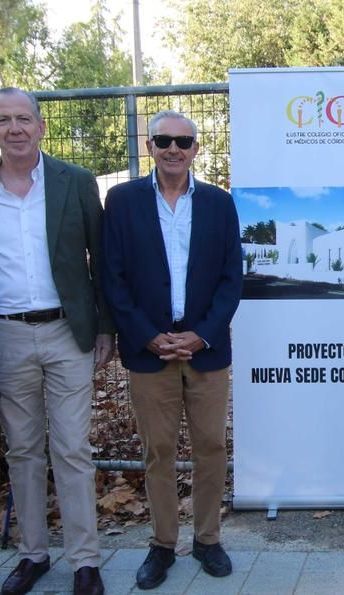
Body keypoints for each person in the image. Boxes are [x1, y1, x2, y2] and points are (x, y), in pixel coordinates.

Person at [0, 87, 115, 595]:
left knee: (72, 449)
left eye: (23, 119)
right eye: (3, 120)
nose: (14, 128)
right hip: (6, 335)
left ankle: (85, 561)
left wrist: (105, 325)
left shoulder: (75, 182)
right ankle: (34, 554)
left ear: (40, 126)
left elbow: (99, 259)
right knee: (22, 450)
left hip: (67, 332)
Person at [101, 110, 243, 588]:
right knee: (157, 451)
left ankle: (207, 539)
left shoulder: (220, 204)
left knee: (210, 447)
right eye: (164, 139)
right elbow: (112, 277)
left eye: (183, 140)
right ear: (150, 145)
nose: (173, 148)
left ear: (196, 148)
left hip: (205, 347)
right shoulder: (121, 201)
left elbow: (231, 279)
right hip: (149, 351)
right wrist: (146, 334)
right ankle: (162, 544)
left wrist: (201, 334)